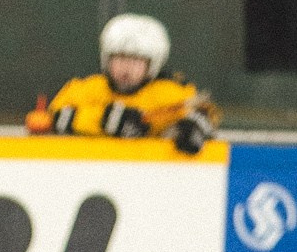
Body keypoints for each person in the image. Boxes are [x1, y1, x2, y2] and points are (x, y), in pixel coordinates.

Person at [27, 12, 215, 151]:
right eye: (119, 58)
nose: (126, 68)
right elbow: (53, 117)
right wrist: (103, 120)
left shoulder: (168, 93)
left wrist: (193, 128)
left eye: (136, 60)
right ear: (106, 59)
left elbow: (205, 112)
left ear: (153, 64)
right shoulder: (87, 88)